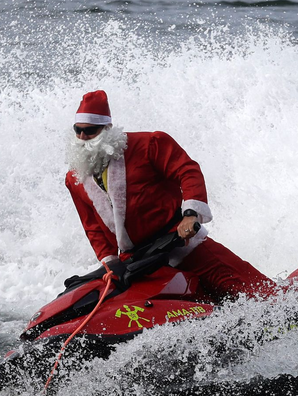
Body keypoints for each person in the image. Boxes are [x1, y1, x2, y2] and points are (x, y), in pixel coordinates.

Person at [65, 89, 282, 302]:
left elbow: (187, 171)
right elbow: (92, 226)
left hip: (181, 243)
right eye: (78, 130)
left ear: (107, 128)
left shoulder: (149, 144)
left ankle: (286, 298)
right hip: (137, 262)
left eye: (90, 130)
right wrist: (110, 262)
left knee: (253, 293)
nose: (83, 137)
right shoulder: (75, 179)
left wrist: (191, 215)